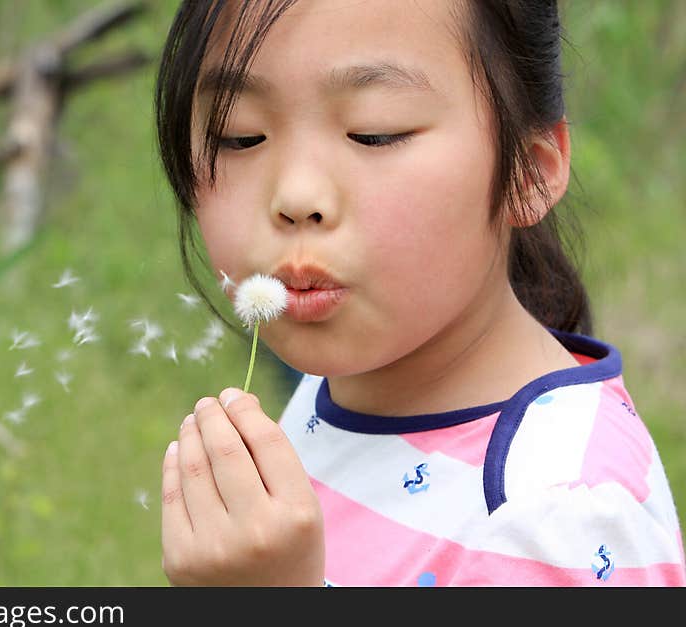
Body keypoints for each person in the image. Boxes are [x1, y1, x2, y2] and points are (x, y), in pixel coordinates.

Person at [153, 0, 686, 586]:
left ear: (528, 170)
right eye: (240, 137)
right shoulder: (334, 392)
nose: (296, 194)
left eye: (374, 132)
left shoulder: (558, 517)